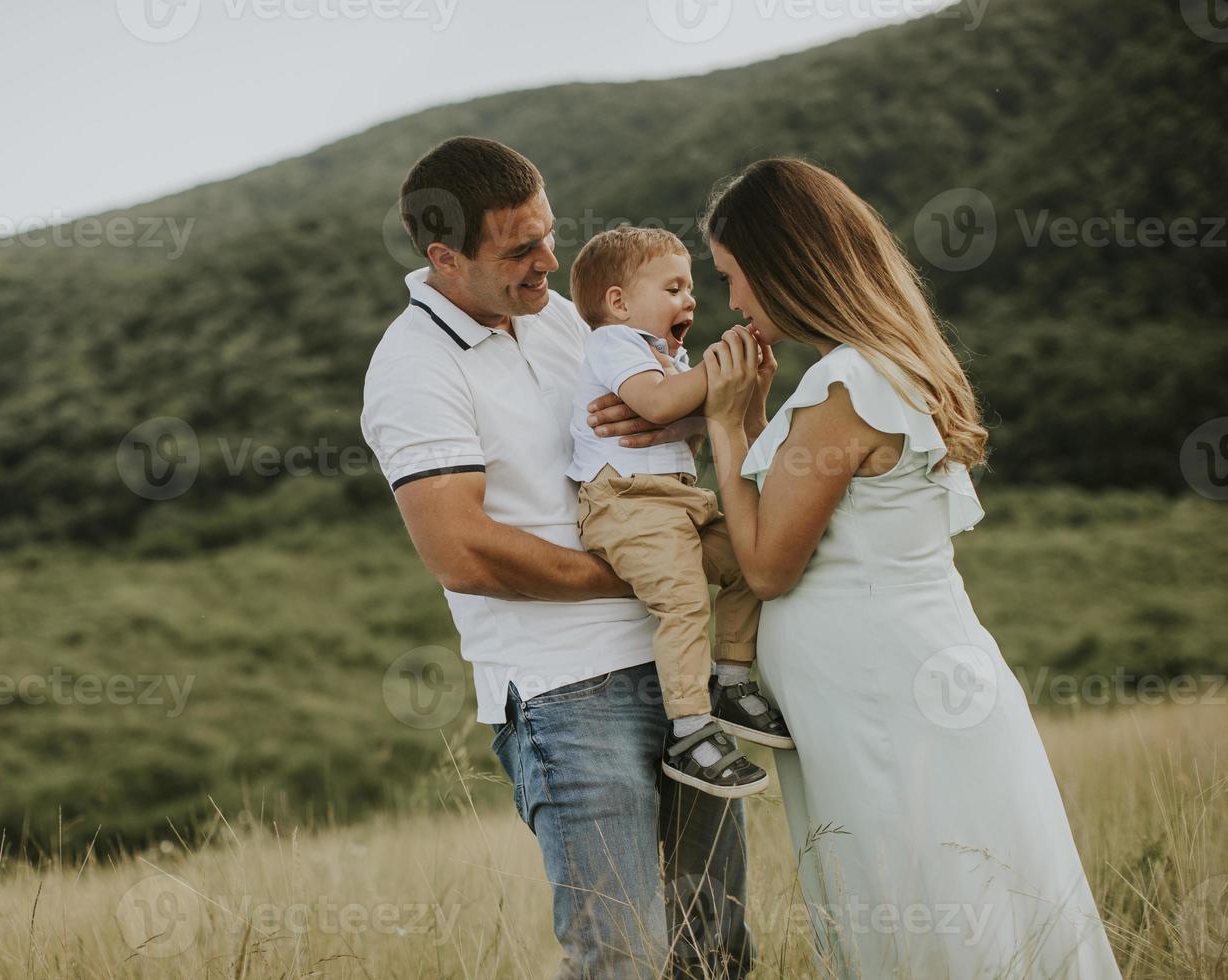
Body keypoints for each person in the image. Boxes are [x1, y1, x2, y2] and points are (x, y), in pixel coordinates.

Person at [689, 156, 1121, 978]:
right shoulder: (877, 368)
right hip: (903, 685)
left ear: (785, 263)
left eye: (734, 277)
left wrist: (727, 424)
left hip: (888, 703)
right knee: (962, 908)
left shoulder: (845, 384)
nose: (734, 302)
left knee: (926, 916)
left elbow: (770, 567)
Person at [360, 136, 754, 979]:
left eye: (548, 234)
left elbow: (641, 425)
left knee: (714, 947)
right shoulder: (411, 368)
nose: (550, 262)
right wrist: (640, 576)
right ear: (445, 257)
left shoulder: (563, 319)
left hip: (671, 659)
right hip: (566, 694)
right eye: (520, 249)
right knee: (623, 956)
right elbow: (460, 551)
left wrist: (688, 423)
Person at [564, 225, 793, 799]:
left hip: (677, 502)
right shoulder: (615, 344)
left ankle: (732, 679)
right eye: (674, 289)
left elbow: (692, 428)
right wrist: (721, 372)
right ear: (619, 303)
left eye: (691, 289)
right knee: (684, 597)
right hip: (627, 503)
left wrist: (739, 389)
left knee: (748, 554)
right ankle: (690, 730)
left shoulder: (668, 355)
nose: (690, 300)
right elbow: (661, 403)